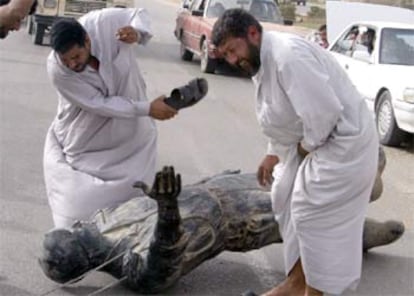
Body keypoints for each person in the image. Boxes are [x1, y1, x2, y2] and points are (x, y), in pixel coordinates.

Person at [211, 9, 379, 296]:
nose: (232, 60)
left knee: (309, 210)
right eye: (225, 54)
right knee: (285, 195)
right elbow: (285, 115)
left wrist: (302, 148)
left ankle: (316, 291)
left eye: (232, 50)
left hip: (343, 143)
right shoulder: (262, 61)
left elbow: (323, 115)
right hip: (317, 141)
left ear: (252, 33)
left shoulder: (288, 56)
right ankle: (295, 284)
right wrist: (273, 152)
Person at [38, 163, 404, 295]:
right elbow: (163, 262)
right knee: (311, 208)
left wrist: (204, 182)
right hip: (235, 220)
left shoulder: (103, 224)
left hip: (220, 188)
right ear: (82, 257)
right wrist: (167, 210)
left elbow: (162, 195)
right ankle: (365, 203)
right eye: (77, 235)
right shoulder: (131, 268)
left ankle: (361, 189)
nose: (83, 228)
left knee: (300, 181)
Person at [44, 7, 179, 229]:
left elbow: (140, 13)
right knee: (79, 197)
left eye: (76, 57)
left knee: (135, 181)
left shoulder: (102, 23)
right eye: (66, 60)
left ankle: (132, 227)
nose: (72, 65)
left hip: (131, 128)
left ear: (87, 40)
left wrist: (137, 31)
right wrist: (147, 108)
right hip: (85, 131)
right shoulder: (57, 70)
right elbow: (100, 104)